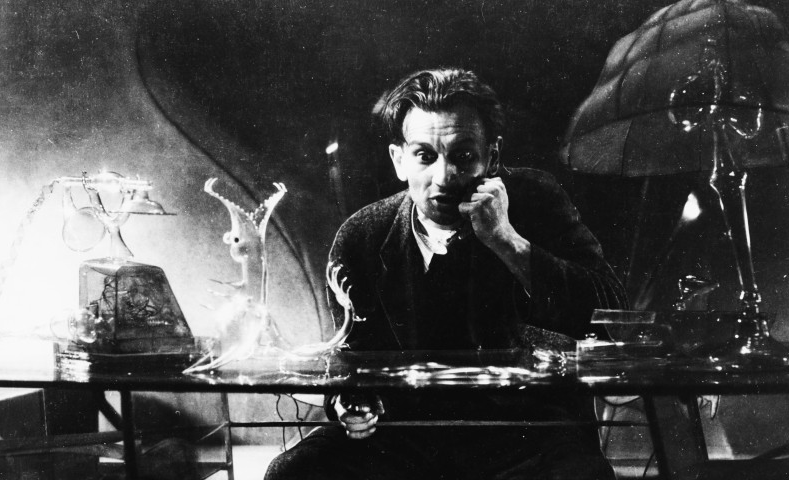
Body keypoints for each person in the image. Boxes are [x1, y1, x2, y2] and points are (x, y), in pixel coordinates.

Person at [266, 68, 626, 480]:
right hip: (403, 436)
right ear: (399, 160)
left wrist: (506, 240)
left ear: (492, 157)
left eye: (463, 157)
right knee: (293, 472)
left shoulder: (536, 201)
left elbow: (612, 312)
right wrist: (348, 401)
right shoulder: (362, 236)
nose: (443, 177)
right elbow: (350, 359)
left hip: (523, 434)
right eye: (425, 156)